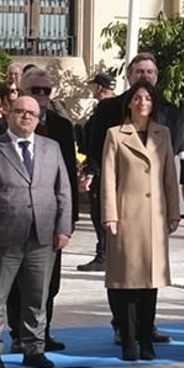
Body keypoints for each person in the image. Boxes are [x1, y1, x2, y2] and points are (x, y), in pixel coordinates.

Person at [0, 89, 74, 368]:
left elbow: (63, 190)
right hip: (2, 237)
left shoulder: (52, 148)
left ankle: (34, 348)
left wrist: (64, 227)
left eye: (32, 113)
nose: (26, 116)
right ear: (9, 114)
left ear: (39, 119)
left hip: (43, 236)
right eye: (20, 111)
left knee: (37, 297)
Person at [100, 82, 182, 357]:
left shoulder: (163, 134)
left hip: (155, 218)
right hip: (126, 217)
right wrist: (110, 214)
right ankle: (128, 340)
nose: (142, 102)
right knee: (127, 283)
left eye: (147, 98)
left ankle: (146, 340)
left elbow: (169, 177)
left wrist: (173, 211)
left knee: (150, 284)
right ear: (129, 103)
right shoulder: (115, 134)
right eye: (137, 97)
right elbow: (109, 179)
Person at [8, 65, 79, 352]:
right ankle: (17, 335)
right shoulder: (7, 126)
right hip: (17, 217)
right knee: (17, 279)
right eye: (34, 90)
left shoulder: (62, 127)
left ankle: (42, 332)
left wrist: (69, 217)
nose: (40, 96)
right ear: (22, 92)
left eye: (45, 91)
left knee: (48, 281)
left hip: (50, 216)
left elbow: (69, 177)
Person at [77, 69, 120, 269]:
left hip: (103, 169)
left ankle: (104, 255)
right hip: (106, 167)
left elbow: (98, 142)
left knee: (100, 213)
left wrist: (91, 171)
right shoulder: (117, 108)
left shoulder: (104, 110)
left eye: (94, 86)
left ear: (101, 88)